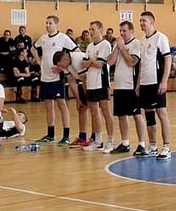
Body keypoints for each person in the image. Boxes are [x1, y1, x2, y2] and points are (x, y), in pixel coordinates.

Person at [31, 15, 78, 145]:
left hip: (57, 77)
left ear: (56, 25)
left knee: (62, 105)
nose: (47, 25)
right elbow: (33, 48)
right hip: (44, 77)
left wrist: (64, 66)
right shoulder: (43, 38)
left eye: (50, 23)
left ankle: (66, 136)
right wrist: (39, 61)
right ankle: (50, 135)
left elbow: (76, 51)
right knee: (48, 106)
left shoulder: (63, 38)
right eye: (46, 23)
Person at [134, 11, 172, 160]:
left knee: (161, 113)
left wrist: (164, 81)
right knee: (149, 114)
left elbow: (168, 59)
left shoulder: (160, 38)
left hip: (157, 82)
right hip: (145, 83)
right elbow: (142, 64)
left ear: (151, 22)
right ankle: (153, 146)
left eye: (144, 20)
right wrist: (138, 83)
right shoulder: (141, 40)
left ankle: (167, 147)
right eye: (140, 21)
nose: (141, 23)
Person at [107, 21, 147, 154]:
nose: (122, 33)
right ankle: (125, 143)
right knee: (121, 115)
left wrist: (122, 48)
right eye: (120, 31)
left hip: (131, 85)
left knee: (136, 115)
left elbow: (132, 62)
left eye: (124, 31)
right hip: (119, 85)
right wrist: (117, 48)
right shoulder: (119, 45)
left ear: (131, 31)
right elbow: (110, 61)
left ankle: (141, 144)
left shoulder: (136, 44)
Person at [82, 21, 114, 152]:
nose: (91, 32)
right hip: (90, 83)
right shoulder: (89, 46)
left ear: (100, 30)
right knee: (94, 112)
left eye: (93, 29)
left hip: (101, 82)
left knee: (106, 112)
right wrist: (92, 61)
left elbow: (100, 64)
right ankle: (98, 141)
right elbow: (84, 64)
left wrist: (91, 61)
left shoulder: (105, 44)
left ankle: (111, 141)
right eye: (89, 29)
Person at [52, 50, 91, 148]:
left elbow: (85, 79)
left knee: (93, 109)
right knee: (81, 108)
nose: (61, 68)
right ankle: (82, 137)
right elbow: (71, 82)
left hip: (94, 82)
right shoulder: (66, 65)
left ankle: (95, 137)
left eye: (61, 65)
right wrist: (78, 100)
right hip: (84, 82)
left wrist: (87, 97)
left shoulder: (77, 59)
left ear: (65, 59)